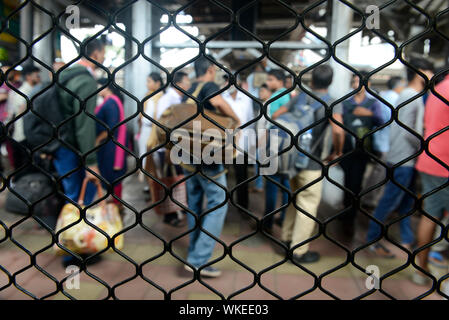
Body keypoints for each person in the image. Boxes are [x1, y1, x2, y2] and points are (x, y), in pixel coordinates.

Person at [271, 64, 343, 263]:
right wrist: (337, 152)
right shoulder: (331, 102)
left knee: (294, 200)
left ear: (311, 81)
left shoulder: (300, 97)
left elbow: (277, 116)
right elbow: (338, 130)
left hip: (291, 159)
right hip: (312, 163)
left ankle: (286, 240)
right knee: (308, 205)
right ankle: (299, 251)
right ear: (330, 82)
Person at [366, 58, 434, 258]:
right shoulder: (411, 95)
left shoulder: (408, 94)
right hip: (404, 158)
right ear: (421, 72)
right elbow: (408, 131)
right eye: (430, 72)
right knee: (390, 199)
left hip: (405, 157)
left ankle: (406, 238)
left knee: (406, 201)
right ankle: (372, 239)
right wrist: (423, 145)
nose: (432, 77)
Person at [181, 56, 239, 278]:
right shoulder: (209, 85)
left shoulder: (189, 88)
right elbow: (218, 103)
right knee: (219, 201)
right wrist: (237, 119)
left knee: (195, 203)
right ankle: (198, 260)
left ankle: (193, 252)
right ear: (211, 69)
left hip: (187, 154)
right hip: (207, 155)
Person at [53, 38, 106, 267]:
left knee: (71, 196)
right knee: (79, 199)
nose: (104, 58)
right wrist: (91, 162)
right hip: (73, 149)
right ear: (95, 53)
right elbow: (84, 125)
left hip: (59, 145)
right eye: (103, 53)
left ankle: (77, 247)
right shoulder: (85, 81)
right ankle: (73, 253)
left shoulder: (64, 75)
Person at [337, 71, 385, 240]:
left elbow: (382, 120)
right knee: (347, 180)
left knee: (356, 182)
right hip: (346, 148)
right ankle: (345, 210)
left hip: (362, 150)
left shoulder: (373, 103)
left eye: (361, 81)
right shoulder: (345, 102)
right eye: (355, 81)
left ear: (368, 84)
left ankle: (351, 215)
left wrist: (369, 114)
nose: (357, 84)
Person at [412, 68, 449, 286]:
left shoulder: (437, 89)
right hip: (446, 163)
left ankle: (420, 269)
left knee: (430, 214)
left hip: (430, 158)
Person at [148, 71, 191, 227]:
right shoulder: (168, 100)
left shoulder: (178, 99)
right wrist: (168, 149)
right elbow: (163, 127)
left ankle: (180, 207)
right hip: (166, 148)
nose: (189, 85)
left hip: (176, 147)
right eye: (187, 82)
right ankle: (169, 215)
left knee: (177, 179)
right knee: (168, 181)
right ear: (179, 84)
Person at [362, 76, 406, 209]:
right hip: (385, 141)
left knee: (378, 170)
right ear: (398, 86)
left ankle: (368, 197)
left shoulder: (385, 96)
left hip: (380, 139)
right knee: (380, 171)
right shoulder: (393, 98)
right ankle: (369, 200)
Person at [263, 69, 291, 234]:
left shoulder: (277, 96)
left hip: (274, 140)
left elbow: (271, 120)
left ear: (279, 81)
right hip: (286, 142)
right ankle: (284, 217)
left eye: (271, 79)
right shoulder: (287, 95)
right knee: (285, 182)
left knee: (272, 182)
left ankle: (268, 222)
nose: (268, 83)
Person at [95, 78, 128, 209]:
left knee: (112, 173)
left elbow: (112, 127)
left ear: (106, 87)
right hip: (109, 143)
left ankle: (116, 203)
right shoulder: (109, 101)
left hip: (111, 144)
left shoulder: (111, 103)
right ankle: (114, 201)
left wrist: (97, 140)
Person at [223, 81, 254, 215]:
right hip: (224, 145)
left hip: (241, 145)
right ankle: (221, 206)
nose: (229, 85)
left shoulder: (246, 99)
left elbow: (251, 121)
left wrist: (250, 146)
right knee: (222, 176)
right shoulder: (222, 97)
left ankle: (243, 207)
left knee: (242, 177)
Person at [7, 65, 41, 173]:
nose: (39, 78)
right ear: (28, 77)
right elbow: (21, 111)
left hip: (28, 133)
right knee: (27, 166)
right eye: (37, 75)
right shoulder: (24, 92)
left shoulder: (31, 90)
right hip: (24, 135)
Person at [139, 72, 163, 192]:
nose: (147, 84)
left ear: (158, 83)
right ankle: (149, 185)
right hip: (145, 131)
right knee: (145, 158)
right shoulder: (147, 96)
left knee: (155, 158)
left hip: (154, 131)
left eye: (149, 81)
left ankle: (156, 185)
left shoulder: (161, 97)